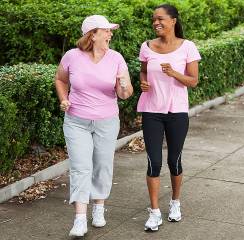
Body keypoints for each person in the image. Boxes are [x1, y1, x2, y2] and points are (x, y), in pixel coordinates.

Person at [54, 15, 133, 237]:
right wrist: (63, 99)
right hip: (76, 121)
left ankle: (99, 207)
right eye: (106, 30)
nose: (110, 34)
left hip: (106, 121)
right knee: (80, 167)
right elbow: (60, 79)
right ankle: (80, 218)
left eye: (110, 31)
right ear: (93, 34)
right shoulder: (72, 56)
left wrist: (124, 85)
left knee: (102, 165)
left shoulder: (116, 58)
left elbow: (125, 95)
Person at [137, 4, 201, 232]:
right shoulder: (147, 47)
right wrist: (143, 82)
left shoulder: (188, 47)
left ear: (173, 20)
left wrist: (174, 73)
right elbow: (144, 70)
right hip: (151, 110)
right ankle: (154, 212)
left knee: (174, 160)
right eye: (154, 19)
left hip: (177, 112)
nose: (156, 22)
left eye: (161, 19)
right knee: (154, 162)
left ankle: (175, 203)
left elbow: (193, 81)